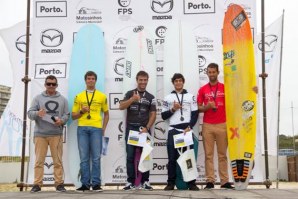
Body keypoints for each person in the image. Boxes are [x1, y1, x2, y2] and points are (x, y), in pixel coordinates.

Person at [28, 75, 70, 193]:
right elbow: (30, 114)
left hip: (56, 134)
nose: (51, 86)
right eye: (48, 84)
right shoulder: (37, 98)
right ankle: (37, 184)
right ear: (45, 84)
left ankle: (59, 184)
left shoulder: (63, 99)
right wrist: (37, 113)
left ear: (56, 85)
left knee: (57, 161)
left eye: (53, 84)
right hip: (40, 134)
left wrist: (61, 121)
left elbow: (67, 115)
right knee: (39, 161)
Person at [197, 63, 234, 189]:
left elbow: (234, 102)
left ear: (218, 73)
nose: (211, 74)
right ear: (207, 73)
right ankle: (210, 181)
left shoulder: (225, 87)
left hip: (223, 124)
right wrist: (207, 107)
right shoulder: (202, 89)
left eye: (214, 72)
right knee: (208, 155)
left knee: (222, 155)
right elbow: (198, 108)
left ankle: (224, 181)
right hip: (207, 125)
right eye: (209, 72)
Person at [72, 71, 109, 192]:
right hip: (82, 128)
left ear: (95, 80)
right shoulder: (79, 96)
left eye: (93, 78)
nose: (91, 80)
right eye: (88, 78)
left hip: (96, 129)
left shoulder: (102, 96)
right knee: (84, 158)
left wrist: (103, 128)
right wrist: (82, 111)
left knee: (96, 158)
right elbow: (73, 116)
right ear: (85, 80)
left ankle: (96, 184)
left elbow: (107, 114)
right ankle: (85, 184)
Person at [119, 70, 156, 191]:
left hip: (144, 129)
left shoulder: (151, 97)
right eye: (140, 80)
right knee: (130, 157)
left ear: (147, 81)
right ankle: (130, 182)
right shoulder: (130, 93)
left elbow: (153, 114)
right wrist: (132, 100)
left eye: (145, 80)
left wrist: (147, 127)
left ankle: (145, 181)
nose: (143, 82)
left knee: (145, 156)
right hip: (131, 129)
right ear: (137, 80)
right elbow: (121, 106)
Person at [161, 73, 199, 191]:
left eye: (180, 81)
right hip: (173, 130)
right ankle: (170, 183)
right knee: (172, 158)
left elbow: (195, 114)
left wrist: (190, 126)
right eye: (176, 81)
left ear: (183, 82)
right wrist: (173, 109)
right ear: (173, 83)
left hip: (185, 131)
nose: (178, 83)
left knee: (188, 158)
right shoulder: (168, 98)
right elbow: (163, 116)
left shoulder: (190, 96)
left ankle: (191, 183)